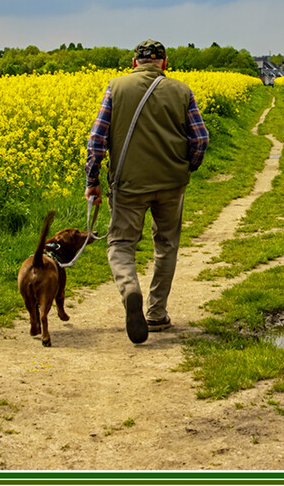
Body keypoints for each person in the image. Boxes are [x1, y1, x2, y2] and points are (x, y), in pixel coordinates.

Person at [85, 40, 209, 344]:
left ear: (133, 63)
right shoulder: (182, 91)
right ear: (164, 63)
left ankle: (130, 290)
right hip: (171, 184)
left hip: (128, 185)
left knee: (121, 243)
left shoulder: (116, 88)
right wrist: (186, 168)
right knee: (166, 244)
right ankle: (156, 313)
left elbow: (96, 140)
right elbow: (201, 138)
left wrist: (93, 180)